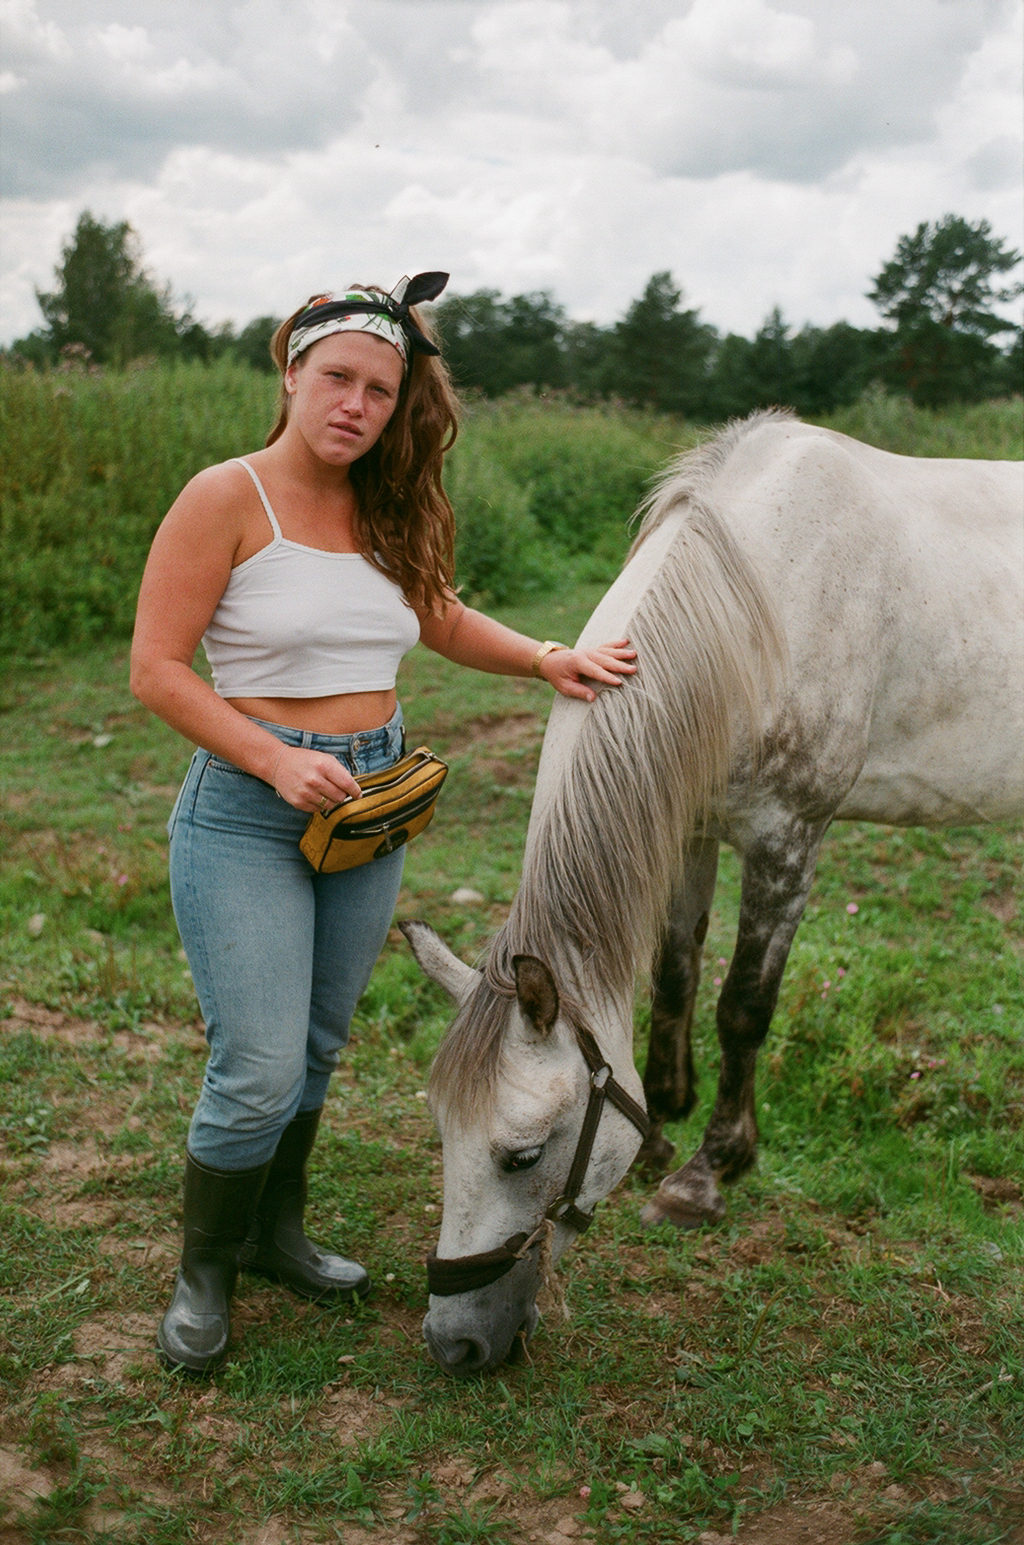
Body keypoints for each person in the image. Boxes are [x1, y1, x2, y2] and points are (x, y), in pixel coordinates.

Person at [130, 271, 636, 1375]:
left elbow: (437, 616)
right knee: (257, 1065)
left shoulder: (390, 504)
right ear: (292, 373)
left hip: (370, 808)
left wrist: (549, 656)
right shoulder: (225, 498)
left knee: (315, 1047)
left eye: (379, 389)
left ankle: (274, 1234)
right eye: (338, 379)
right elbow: (157, 671)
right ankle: (203, 1273)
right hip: (249, 812)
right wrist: (272, 756)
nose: (356, 405)